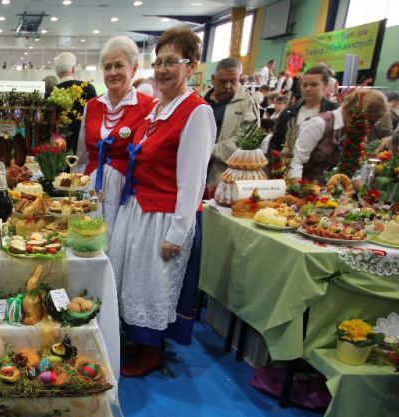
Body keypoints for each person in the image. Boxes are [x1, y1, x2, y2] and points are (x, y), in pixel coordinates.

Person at [107, 26, 215, 377]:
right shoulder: (158, 111)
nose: (163, 69)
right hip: (140, 209)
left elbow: (193, 180)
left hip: (164, 216)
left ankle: (151, 350)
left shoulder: (196, 112)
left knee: (152, 284)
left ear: (192, 65)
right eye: (159, 62)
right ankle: (137, 340)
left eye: (172, 62)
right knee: (133, 280)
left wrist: (178, 233)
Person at [76, 36, 155, 243]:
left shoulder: (148, 106)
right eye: (107, 67)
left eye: (119, 65)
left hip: (125, 188)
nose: (112, 73)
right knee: (89, 240)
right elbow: (82, 155)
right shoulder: (91, 105)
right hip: (93, 185)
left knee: (118, 242)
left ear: (134, 68)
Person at [289, 89, 387, 183]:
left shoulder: (352, 132)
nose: (368, 128)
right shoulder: (319, 123)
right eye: (370, 122)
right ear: (358, 113)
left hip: (320, 190)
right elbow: (294, 162)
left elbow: (350, 172)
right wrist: (301, 192)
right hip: (296, 187)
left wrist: (366, 191)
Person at [205, 58, 260, 189]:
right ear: (213, 79)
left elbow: (247, 140)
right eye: (223, 81)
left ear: (240, 79)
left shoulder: (248, 103)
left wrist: (212, 150)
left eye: (233, 81)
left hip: (224, 176)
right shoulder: (200, 100)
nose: (228, 86)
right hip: (195, 170)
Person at [268, 65, 338, 155]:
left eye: (314, 85)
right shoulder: (288, 112)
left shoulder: (334, 111)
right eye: (304, 85)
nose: (308, 89)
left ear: (325, 86)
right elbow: (275, 143)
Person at [54, 51, 98, 154]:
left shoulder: (52, 92)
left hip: (58, 148)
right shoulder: (88, 88)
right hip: (84, 147)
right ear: (73, 68)